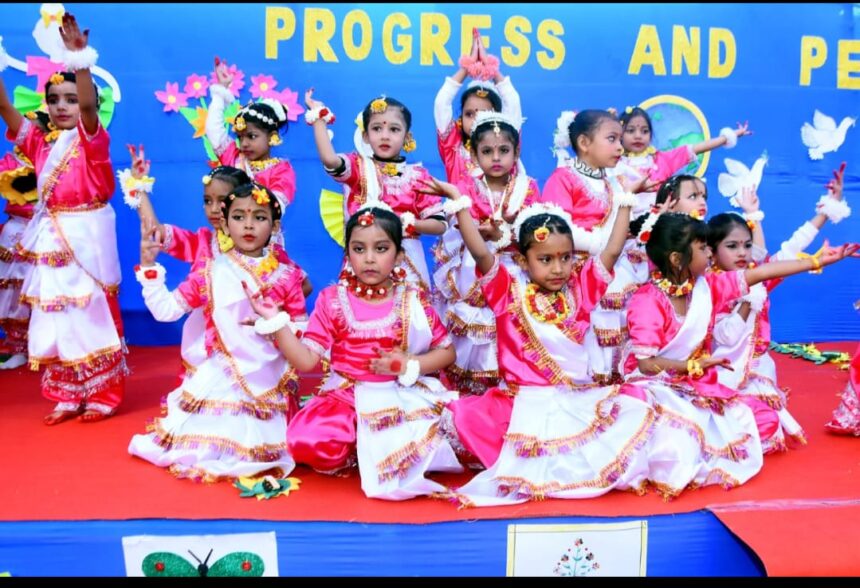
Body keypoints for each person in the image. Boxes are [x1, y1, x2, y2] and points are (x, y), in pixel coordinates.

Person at [421, 176, 654, 506]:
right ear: (522, 260)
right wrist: (459, 202)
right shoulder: (506, 291)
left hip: (573, 398)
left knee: (635, 403)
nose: (558, 268)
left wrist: (625, 200)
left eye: (565, 257)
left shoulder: (581, 288)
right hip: (520, 402)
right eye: (545, 259)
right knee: (465, 416)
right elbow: (480, 251)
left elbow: (612, 250)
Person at [620, 211, 858, 499]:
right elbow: (646, 364)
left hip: (694, 383)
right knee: (676, 440)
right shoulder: (647, 300)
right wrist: (692, 365)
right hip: (654, 385)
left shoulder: (706, 287)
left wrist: (817, 262)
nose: (709, 254)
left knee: (763, 421)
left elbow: (761, 273)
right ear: (676, 259)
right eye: (702, 248)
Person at [246, 204, 462, 500]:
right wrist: (276, 322)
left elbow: (447, 353)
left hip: (399, 393)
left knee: (446, 436)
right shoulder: (332, 300)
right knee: (307, 441)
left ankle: (371, 443)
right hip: (346, 395)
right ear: (348, 256)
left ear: (400, 255)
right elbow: (306, 360)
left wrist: (407, 364)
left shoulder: (412, 300)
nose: (369, 258)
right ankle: (360, 443)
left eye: (381, 249)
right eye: (359, 249)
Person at [128, 182, 307, 482]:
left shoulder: (288, 275)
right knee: (202, 445)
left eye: (259, 217)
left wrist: (276, 326)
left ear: (275, 226)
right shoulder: (210, 272)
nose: (248, 225)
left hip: (270, 373)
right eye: (238, 217)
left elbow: (302, 328)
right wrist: (149, 268)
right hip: (223, 374)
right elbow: (166, 311)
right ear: (224, 224)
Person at [0, 14, 127, 424]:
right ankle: (68, 394)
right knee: (56, 316)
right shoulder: (40, 144)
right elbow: (5, 107)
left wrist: (79, 59)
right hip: (53, 238)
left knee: (92, 314)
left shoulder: (93, 141)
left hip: (88, 239)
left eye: (70, 100)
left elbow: (89, 106)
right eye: (54, 100)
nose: (61, 107)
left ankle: (104, 393)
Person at [708, 163, 852, 451]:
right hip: (722, 372)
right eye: (732, 246)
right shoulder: (711, 285)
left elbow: (791, 248)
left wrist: (826, 211)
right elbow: (725, 336)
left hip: (758, 370)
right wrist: (749, 301)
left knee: (767, 428)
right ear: (711, 251)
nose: (742, 253)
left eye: (746, 246)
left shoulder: (757, 275)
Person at [432, 110, 538, 396]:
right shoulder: (466, 186)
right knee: (475, 327)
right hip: (474, 266)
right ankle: (470, 389)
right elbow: (459, 223)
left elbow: (535, 228)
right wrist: (486, 231)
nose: (496, 158)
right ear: (474, 155)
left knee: (510, 323)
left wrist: (507, 232)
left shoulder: (527, 187)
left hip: (514, 267)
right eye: (487, 151)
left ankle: (509, 382)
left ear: (516, 153)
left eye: (504, 150)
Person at [305, 90, 446, 291]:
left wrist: (408, 224)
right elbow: (330, 160)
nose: (385, 136)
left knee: (407, 311)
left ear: (407, 137)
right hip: (365, 262)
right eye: (377, 128)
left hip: (407, 266)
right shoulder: (358, 167)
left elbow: (439, 225)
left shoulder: (418, 176)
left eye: (394, 129)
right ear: (366, 135)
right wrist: (319, 117)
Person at [614, 106, 751, 216]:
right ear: (620, 134)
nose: (638, 136)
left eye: (644, 131)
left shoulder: (662, 160)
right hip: (622, 224)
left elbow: (697, 148)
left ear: (651, 135)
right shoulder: (612, 162)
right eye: (631, 131)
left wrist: (727, 137)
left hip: (659, 226)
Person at [433, 27, 523, 184]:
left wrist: (490, 68)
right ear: (460, 118)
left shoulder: (505, 144)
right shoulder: (453, 148)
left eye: (484, 112)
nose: (476, 119)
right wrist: (466, 68)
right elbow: (441, 103)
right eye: (469, 114)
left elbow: (512, 101)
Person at [0, 148, 37, 369]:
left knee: (50, 290)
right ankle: (19, 348)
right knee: (14, 292)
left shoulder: (58, 154)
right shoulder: (10, 161)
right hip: (16, 229)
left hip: (46, 227)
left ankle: (51, 348)